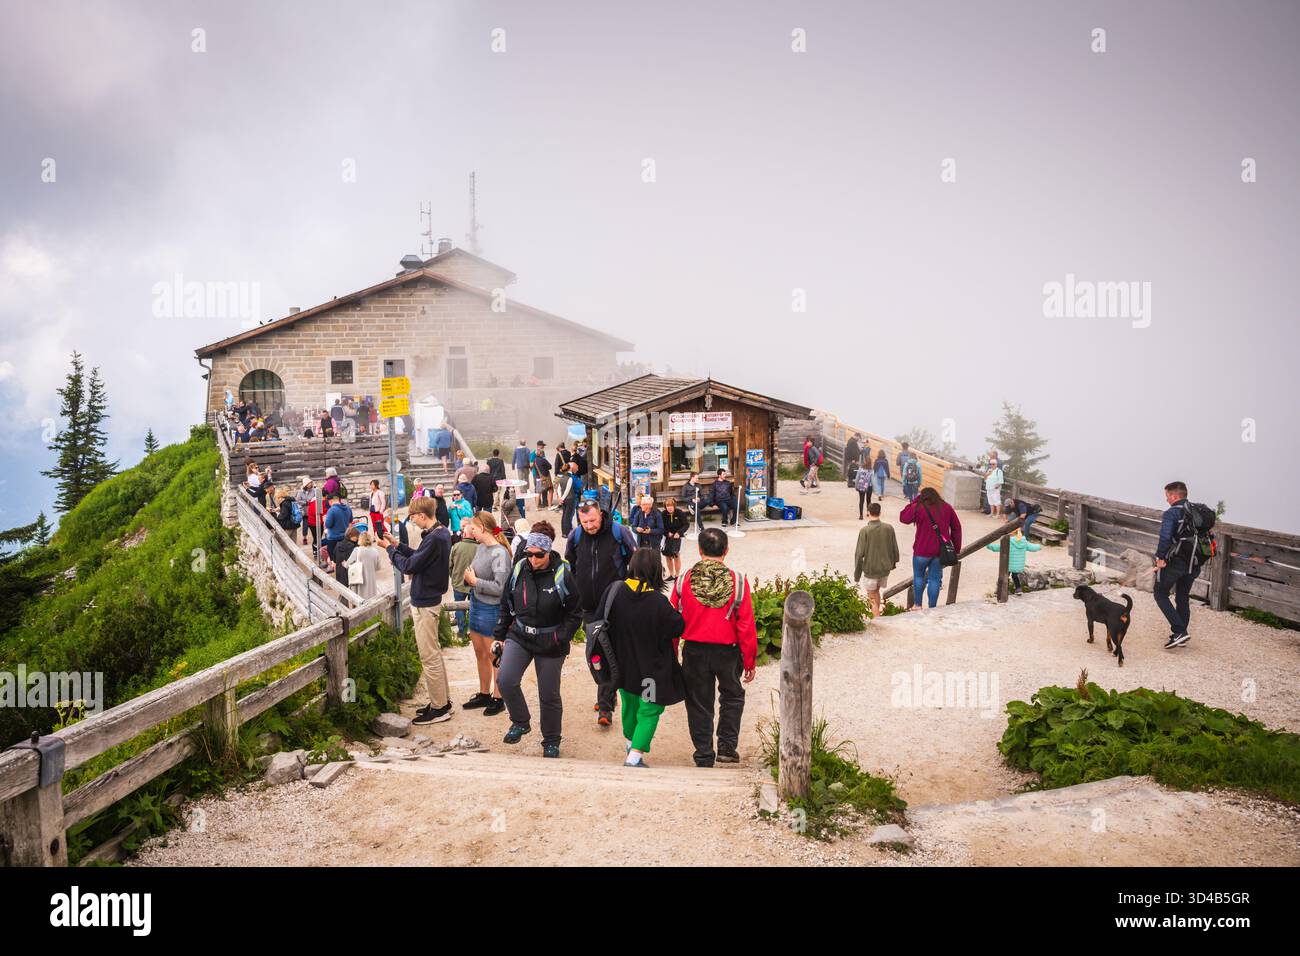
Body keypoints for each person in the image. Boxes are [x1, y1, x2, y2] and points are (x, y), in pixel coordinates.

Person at [494, 521, 583, 758]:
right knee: (505, 679)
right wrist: (499, 636)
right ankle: (521, 721)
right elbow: (506, 603)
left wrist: (560, 637)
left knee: (549, 693)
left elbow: (575, 613)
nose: (533, 560)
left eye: (538, 555)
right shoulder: (520, 568)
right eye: (529, 554)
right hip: (520, 635)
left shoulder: (562, 573)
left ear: (548, 552)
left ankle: (551, 740)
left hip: (550, 639)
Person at [671, 528, 757, 768]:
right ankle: (727, 748)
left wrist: (672, 652)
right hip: (728, 651)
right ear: (726, 551)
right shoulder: (738, 581)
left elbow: (673, 621)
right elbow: (746, 623)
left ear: (699, 551)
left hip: (694, 650)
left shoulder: (684, 580)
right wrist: (749, 659)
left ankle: (704, 753)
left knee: (698, 701)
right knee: (732, 696)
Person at [605, 548, 686, 767]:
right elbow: (678, 626)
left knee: (629, 706)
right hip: (651, 670)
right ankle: (634, 758)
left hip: (622, 666)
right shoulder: (657, 602)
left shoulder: (615, 592)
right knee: (649, 708)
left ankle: (631, 744)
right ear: (656, 570)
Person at [565, 498, 639, 726]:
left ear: (601, 514)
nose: (589, 525)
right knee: (596, 654)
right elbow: (572, 563)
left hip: (616, 604)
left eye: (593, 520)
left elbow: (635, 563)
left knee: (614, 652)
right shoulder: (575, 536)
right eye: (585, 521)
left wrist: (631, 593)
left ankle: (605, 705)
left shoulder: (619, 532)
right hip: (589, 607)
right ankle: (606, 694)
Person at [383, 497, 453, 724]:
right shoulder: (440, 533)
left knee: (429, 656)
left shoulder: (434, 538)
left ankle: (439, 708)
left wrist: (389, 552)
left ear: (423, 515)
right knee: (434, 653)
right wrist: (398, 545)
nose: (412, 522)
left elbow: (410, 565)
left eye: (413, 518)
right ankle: (441, 701)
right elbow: (419, 556)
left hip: (425, 602)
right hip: (430, 599)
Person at [461, 512, 512, 716]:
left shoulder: (500, 553)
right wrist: (471, 581)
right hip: (476, 603)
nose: (470, 532)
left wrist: (474, 582)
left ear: (482, 528)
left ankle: (499, 698)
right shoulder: (481, 547)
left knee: (495, 655)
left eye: (473, 528)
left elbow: (501, 587)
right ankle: (484, 693)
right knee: (479, 652)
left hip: (492, 608)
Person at [1154, 481, 1208, 649]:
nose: (1167, 500)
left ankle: (1179, 632)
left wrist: (1160, 557)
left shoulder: (1172, 513)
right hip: (1196, 562)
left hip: (1178, 561)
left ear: (1175, 496)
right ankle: (1182, 634)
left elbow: (1165, 537)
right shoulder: (1197, 511)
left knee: (1160, 593)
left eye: (1167, 496)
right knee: (1182, 596)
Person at [899, 486, 962, 609]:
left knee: (918, 577)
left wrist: (915, 501)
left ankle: (917, 605)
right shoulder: (947, 507)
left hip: (921, 550)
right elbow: (956, 528)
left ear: (922, 497)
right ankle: (932, 607)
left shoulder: (918, 507)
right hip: (939, 552)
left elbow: (903, 518)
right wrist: (956, 548)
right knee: (934, 579)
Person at [854, 502, 899, 618]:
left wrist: (857, 574)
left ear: (868, 513)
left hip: (871, 569)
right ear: (880, 513)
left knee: (871, 596)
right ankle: (877, 614)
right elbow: (894, 548)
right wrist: (893, 563)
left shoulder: (865, 530)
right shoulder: (889, 528)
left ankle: (877, 620)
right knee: (876, 592)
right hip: (884, 569)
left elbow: (859, 554)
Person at [986, 527, 1040, 595]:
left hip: (1008, 564)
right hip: (1018, 566)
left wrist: (989, 545)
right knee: (1014, 576)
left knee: (1005, 576)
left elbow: (998, 547)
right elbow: (1032, 547)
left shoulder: (1008, 541)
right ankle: (1018, 589)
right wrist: (1038, 546)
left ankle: (1002, 589)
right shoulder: (1024, 541)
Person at [449, 528, 477, 641]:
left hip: (458, 583)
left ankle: (462, 632)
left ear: (464, 534)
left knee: (459, 608)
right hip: (473, 584)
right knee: (473, 608)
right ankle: (472, 631)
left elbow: (450, 565)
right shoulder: (480, 548)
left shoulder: (456, 546)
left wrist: (454, 577)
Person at [345, 531, 384, 599]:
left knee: (360, 602)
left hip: (360, 581)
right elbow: (378, 567)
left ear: (360, 539)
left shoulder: (357, 550)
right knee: (372, 601)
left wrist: (344, 563)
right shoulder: (375, 551)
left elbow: (347, 564)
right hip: (371, 582)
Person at [661, 497, 689, 581]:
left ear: (674, 506)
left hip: (678, 537)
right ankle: (671, 575)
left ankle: (677, 575)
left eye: (671, 506)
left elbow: (686, 525)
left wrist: (679, 533)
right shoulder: (663, 514)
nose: (669, 507)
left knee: (676, 555)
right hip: (667, 537)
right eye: (667, 506)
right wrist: (667, 533)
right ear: (665, 506)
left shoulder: (680, 513)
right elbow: (661, 527)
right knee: (668, 556)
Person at [322, 492, 353, 563]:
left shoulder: (332, 510)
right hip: (345, 537)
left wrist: (325, 520)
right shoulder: (348, 508)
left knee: (334, 559)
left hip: (333, 538)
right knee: (343, 558)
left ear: (330, 501)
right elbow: (350, 523)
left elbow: (328, 525)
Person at [558, 460, 583, 537]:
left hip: (564, 499)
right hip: (571, 498)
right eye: (576, 468)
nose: (577, 469)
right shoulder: (571, 478)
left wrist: (560, 498)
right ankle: (567, 532)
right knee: (569, 516)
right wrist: (562, 498)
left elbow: (559, 488)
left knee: (565, 516)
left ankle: (564, 532)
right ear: (570, 468)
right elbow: (569, 489)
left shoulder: (562, 477)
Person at [533, 441, 552, 508]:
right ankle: (548, 505)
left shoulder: (535, 460)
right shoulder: (543, 459)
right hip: (544, 476)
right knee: (549, 489)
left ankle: (537, 507)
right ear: (540, 454)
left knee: (538, 491)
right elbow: (550, 466)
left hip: (538, 476)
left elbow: (532, 466)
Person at [296, 478, 316, 546]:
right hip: (305, 512)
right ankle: (305, 538)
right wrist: (306, 502)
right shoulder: (300, 492)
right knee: (305, 526)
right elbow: (298, 500)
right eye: (310, 483)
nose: (311, 484)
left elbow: (316, 498)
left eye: (311, 482)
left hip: (313, 511)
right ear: (306, 484)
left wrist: (312, 501)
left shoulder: (314, 490)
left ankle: (315, 538)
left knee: (314, 525)